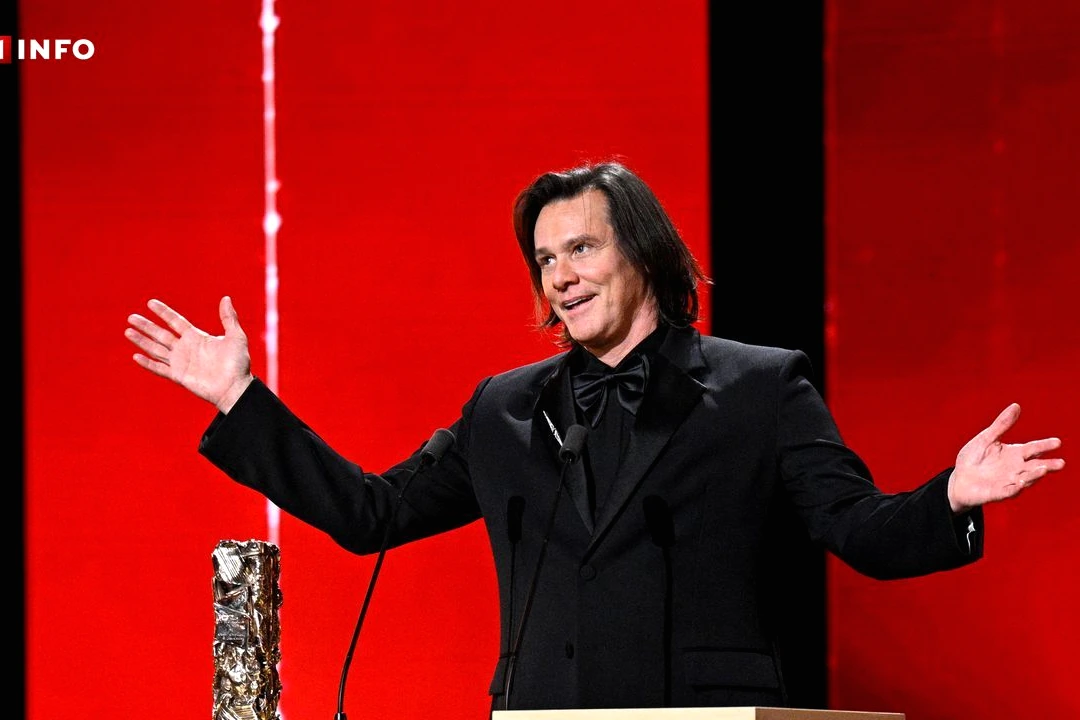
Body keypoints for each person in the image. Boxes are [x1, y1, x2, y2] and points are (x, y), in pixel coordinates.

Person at [124, 161, 1064, 711]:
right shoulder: (503, 409)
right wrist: (240, 398)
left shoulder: (760, 387)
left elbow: (857, 529)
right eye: (545, 260)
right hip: (542, 717)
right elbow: (373, 514)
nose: (560, 276)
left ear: (643, 253)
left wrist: (950, 496)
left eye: (580, 248)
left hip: (706, 717)